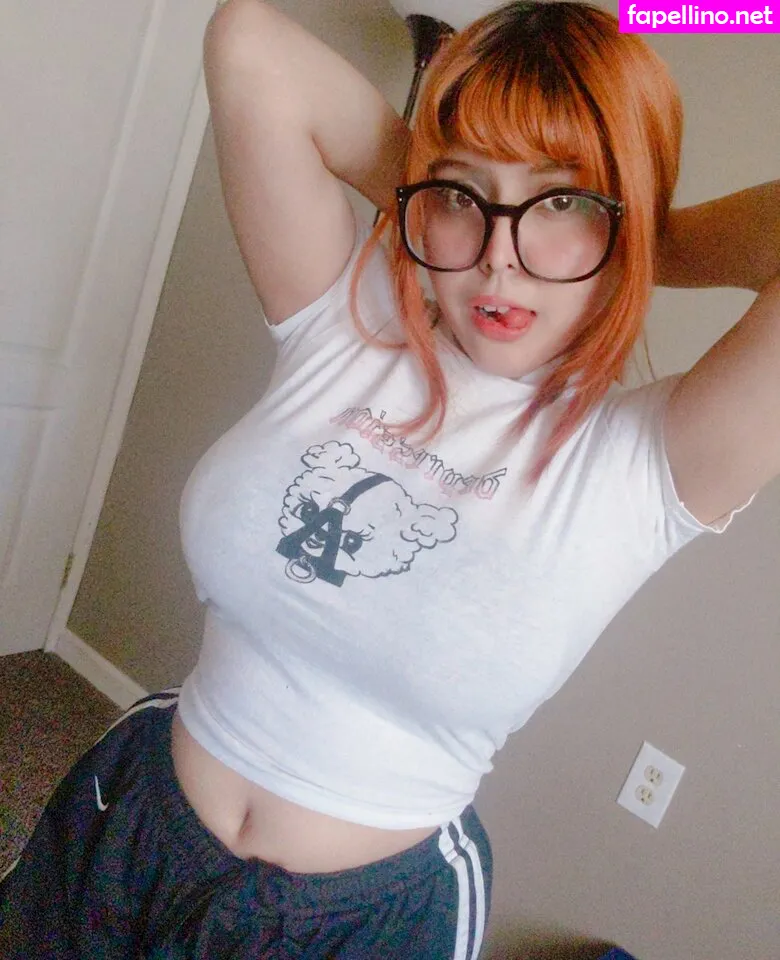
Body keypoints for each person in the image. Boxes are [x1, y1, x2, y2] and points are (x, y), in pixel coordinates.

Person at [1, 1, 778, 957]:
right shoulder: (349, 318)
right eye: (462, 197)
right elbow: (247, 43)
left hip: (361, 925)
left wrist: (641, 240)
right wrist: (455, 198)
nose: (499, 257)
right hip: (133, 817)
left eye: (563, 205)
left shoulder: (646, 462)